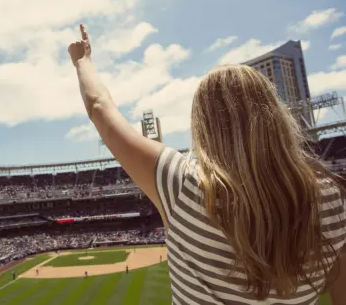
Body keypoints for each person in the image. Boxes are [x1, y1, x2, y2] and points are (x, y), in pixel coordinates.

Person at [68, 25, 346, 304]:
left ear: (203, 125)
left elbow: (99, 108)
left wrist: (83, 62)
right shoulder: (333, 199)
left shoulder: (182, 185)